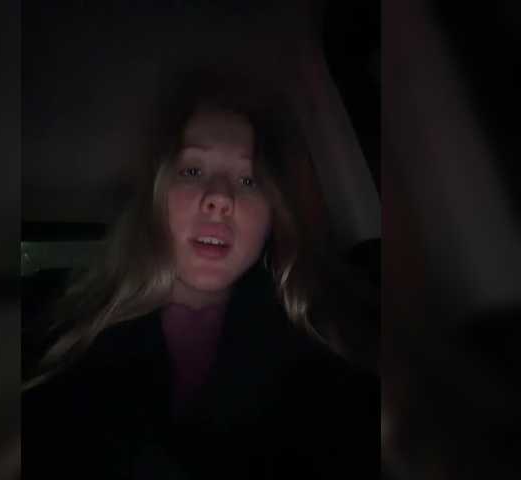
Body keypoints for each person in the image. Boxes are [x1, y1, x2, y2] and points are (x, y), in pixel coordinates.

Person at [23, 68, 378, 479]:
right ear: (154, 198)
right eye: (192, 171)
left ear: (273, 214)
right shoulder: (49, 325)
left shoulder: (333, 338)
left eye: (249, 179)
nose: (219, 199)